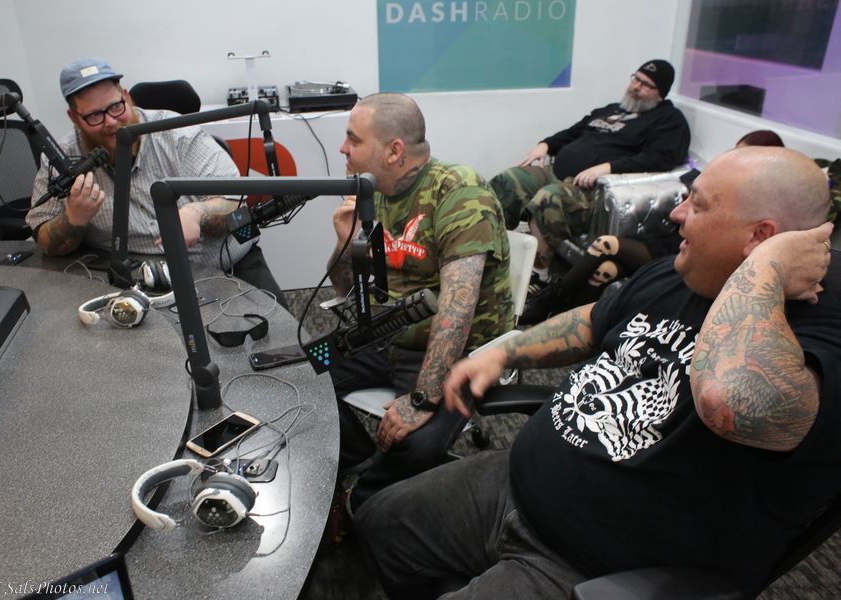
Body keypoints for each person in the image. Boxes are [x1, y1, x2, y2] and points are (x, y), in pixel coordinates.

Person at [354, 146, 841, 599]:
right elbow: (593, 320)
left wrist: (765, 270)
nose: (677, 214)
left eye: (698, 204)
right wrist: (503, 354)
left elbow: (724, 399)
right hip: (517, 483)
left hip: (589, 564)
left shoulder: (823, 328)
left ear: (761, 237)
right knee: (378, 525)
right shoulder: (681, 272)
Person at [328, 93, 514, 513]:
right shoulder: (373, 193)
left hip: (459, 350)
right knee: (300, 374)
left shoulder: (459, 191)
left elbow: (457, 309)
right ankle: (363, 460)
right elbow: (345, 291)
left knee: (414, 443)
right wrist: (346, 244)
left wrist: (422, 400)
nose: (343, 148)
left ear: (394, 151)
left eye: (353, 139)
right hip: (388, 335)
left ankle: (362, 503)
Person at [25, 57, 287, 307]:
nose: (111, 122)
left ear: (126, 96)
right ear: (74, 117)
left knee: (277, 331)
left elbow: (237, 204)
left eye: (116, 107)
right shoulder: (61, 158)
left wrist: (196, 213)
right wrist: (74, 219)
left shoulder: (178, 133)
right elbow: (44, 238)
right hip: (134, 282)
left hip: (224, 265)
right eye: (94, 116)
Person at [523, 129, 786, 323]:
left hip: (681, 251)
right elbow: (687, 185)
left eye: (741, 155)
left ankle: (550, 302)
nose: (733, 158)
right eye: (734, 152)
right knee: (606, 269)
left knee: (605, 244)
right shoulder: (715, 180)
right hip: (670, 241)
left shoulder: (757, 201)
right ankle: (569, 320)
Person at [489, 59, 690, 277]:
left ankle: (537, 275)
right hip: (556, 172)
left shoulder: (669, 121)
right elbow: (574, 132)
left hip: (592, 189)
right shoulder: (612, 109)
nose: (636, 87)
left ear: (661, 93)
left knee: (549, 199)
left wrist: (608, 167)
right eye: (636, 79)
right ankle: (492, 252)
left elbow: (660, 158)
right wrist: (546, 144)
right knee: (508, 180)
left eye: (646, 85)